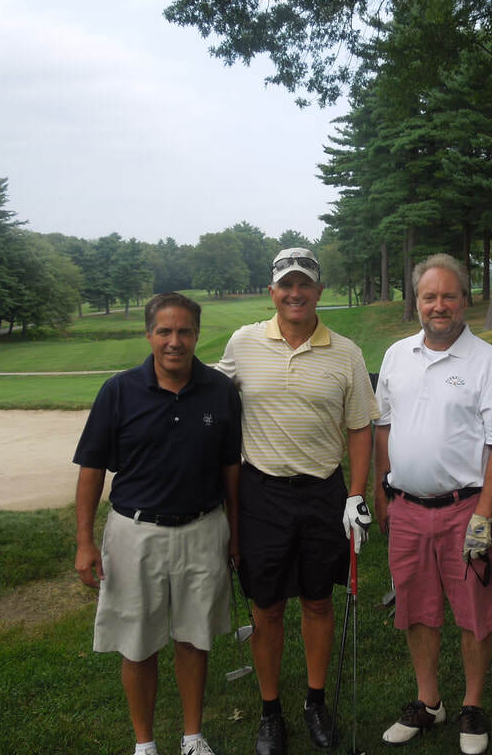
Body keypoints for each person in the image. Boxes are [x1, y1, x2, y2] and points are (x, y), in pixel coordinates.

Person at [216, 247, 379, 755]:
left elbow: (360, 428)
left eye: (304, 284)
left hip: (322, 492)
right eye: (286, 284)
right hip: (261, 492)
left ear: (318, 291)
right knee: (265, 608)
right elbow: (210, 396)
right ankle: (270, 712)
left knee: (317, 600)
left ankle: (314, 700)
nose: (295, 293)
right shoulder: (243, 343)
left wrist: (356, 494)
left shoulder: (346, 353)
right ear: (272, 292)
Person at [73, 292, 242, 755]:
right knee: (138, 643)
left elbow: (231, 467)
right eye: (164, 331)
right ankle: (144, 745)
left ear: (197, 334)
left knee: (194, 638)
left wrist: (235, 533)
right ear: (149, 334)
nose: (174, 341)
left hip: (203, 529)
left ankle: (192, 737)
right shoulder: (119, 391)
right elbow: (91, 469)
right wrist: (84, 542)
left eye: (184, 331)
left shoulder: (219, 389)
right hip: (135, 533)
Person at [373, 254, 492, 755]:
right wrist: (381, 490)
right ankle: (429, 701)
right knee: (416, 609)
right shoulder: (396, 355)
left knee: (474, 611)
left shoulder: (487, 362)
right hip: (407, 508)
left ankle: (472, 705)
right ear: (416, 302)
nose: (439, 306)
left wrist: (485, 514)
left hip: (466, 509)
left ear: (465, 300)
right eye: (429, 297)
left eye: (449, 296)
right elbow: (383, 427)